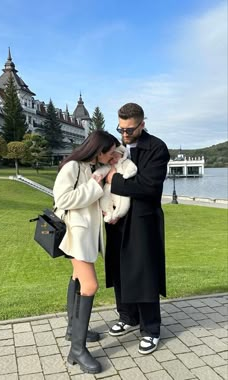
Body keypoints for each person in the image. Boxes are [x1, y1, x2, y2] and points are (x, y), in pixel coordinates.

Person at [104, 102, 170, 355]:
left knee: (144, 272)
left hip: (143, 219)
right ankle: (127, 316)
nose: (124, 134)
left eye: (130, 129)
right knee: (119, 269)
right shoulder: (116, 145)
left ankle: (151, 329)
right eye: (121, 129)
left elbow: (148, 188)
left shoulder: (156, 148)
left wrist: (113, 179)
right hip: (116, 218)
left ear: (142, 124)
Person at [53, 130, 117, 374]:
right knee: (90, 286)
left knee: (78, 280)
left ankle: (73, 329)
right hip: (75, 235)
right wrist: (95, 185)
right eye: (109, 152)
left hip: (87, 234)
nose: (112, 156)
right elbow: (62, 200)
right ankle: (77, 350)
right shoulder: (73, 167)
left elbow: (90, 200)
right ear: (97, 150)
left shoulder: (92, 166)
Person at [93, 144, 137, 222]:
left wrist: (127, 174)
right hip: (108, 189)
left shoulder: (126, 162)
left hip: (121, 190)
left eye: (116, 157)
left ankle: (117, 214)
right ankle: (108, 213)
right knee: (105, 200)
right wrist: (97, 174)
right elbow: (102, 170)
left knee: (123, 203)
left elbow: (132, 168)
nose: (113, 160)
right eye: (111, 158)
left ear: (122, 156)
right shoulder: (108, 166)